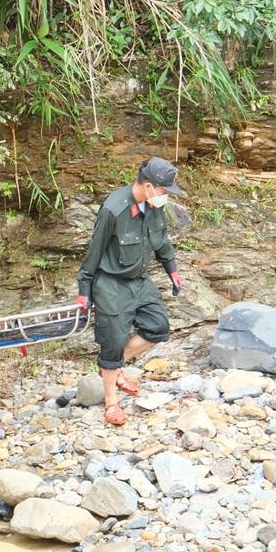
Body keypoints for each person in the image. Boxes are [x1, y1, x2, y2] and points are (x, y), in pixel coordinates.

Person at [76, 156, 185, 426]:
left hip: (139, 281)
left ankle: (114, 366)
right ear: (149, 186)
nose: (166, 197)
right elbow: (94, 252)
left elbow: (161, 241)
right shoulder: (113, 209)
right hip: (111, 283)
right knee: (112, 341)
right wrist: (84, 289)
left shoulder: (154, 206)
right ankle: (111, 402)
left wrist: (172, 269)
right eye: (164, 191)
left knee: (158, 327)